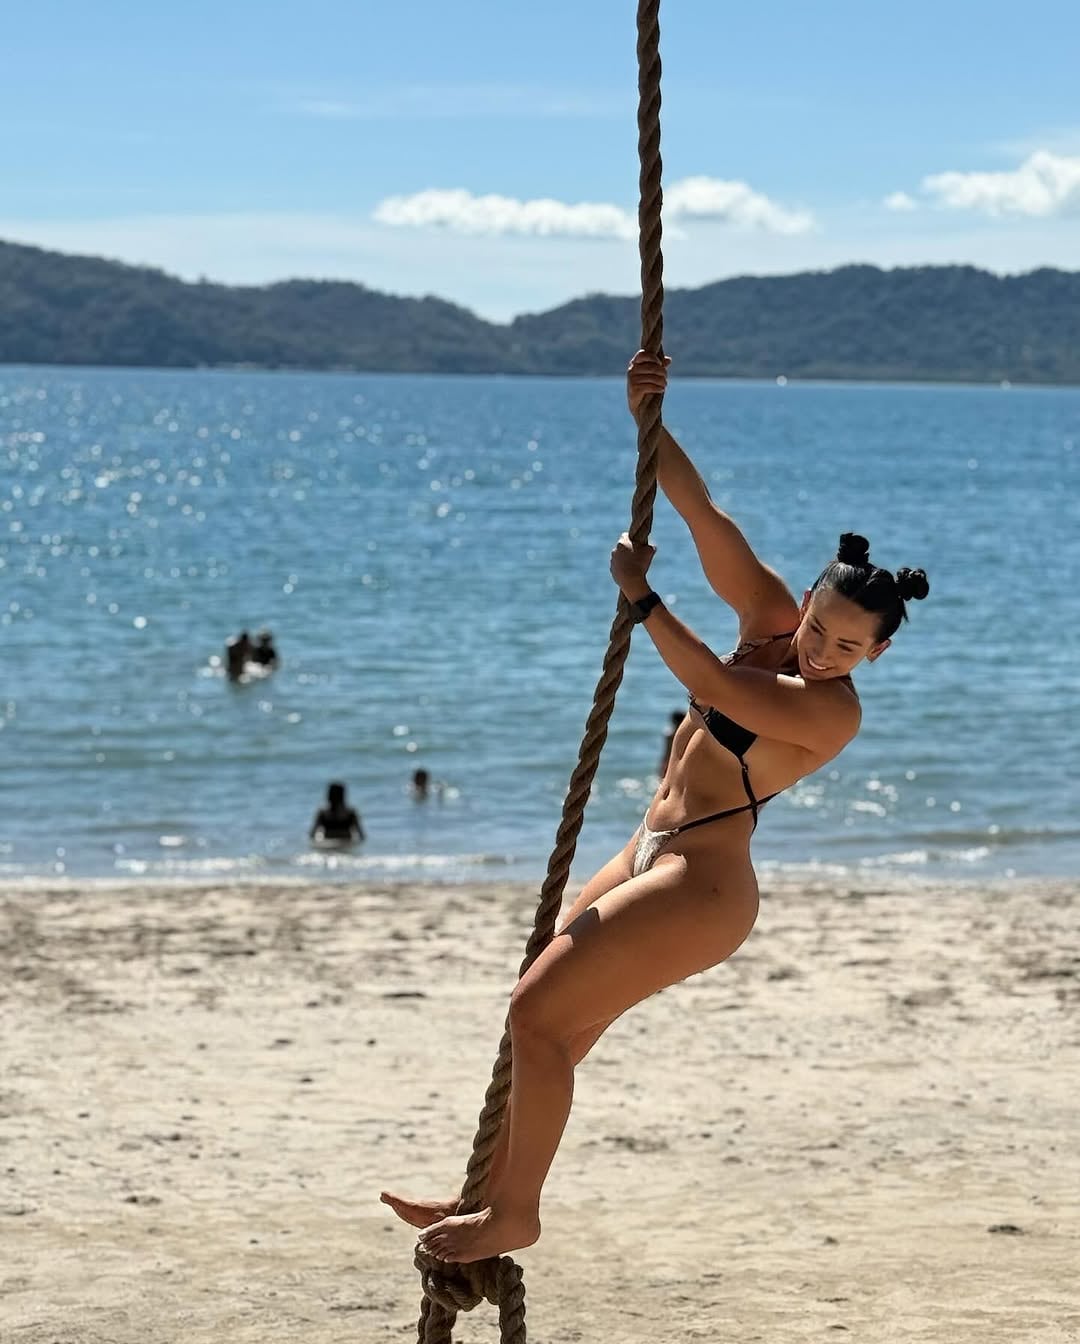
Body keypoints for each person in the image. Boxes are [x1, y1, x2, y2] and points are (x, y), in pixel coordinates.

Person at [381, 349, 929, 1265]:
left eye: (849, 646)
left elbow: (711, 682)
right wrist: (647, 416)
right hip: (651, 849)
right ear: (803, 601)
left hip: (703, 888)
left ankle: (516, 1213)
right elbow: (699, 512)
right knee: (559, 1022)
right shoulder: (770, 624)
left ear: (875, 655)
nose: (825, 650)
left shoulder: (831, 713)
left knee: (536, 1014)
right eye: (819, 628)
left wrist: (644, 599)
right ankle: (491, 1194)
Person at [658, 709, 684, 777]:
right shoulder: (684, 735)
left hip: (669, 761)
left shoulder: (668, 734)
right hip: (679, 762)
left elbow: (666, 753)